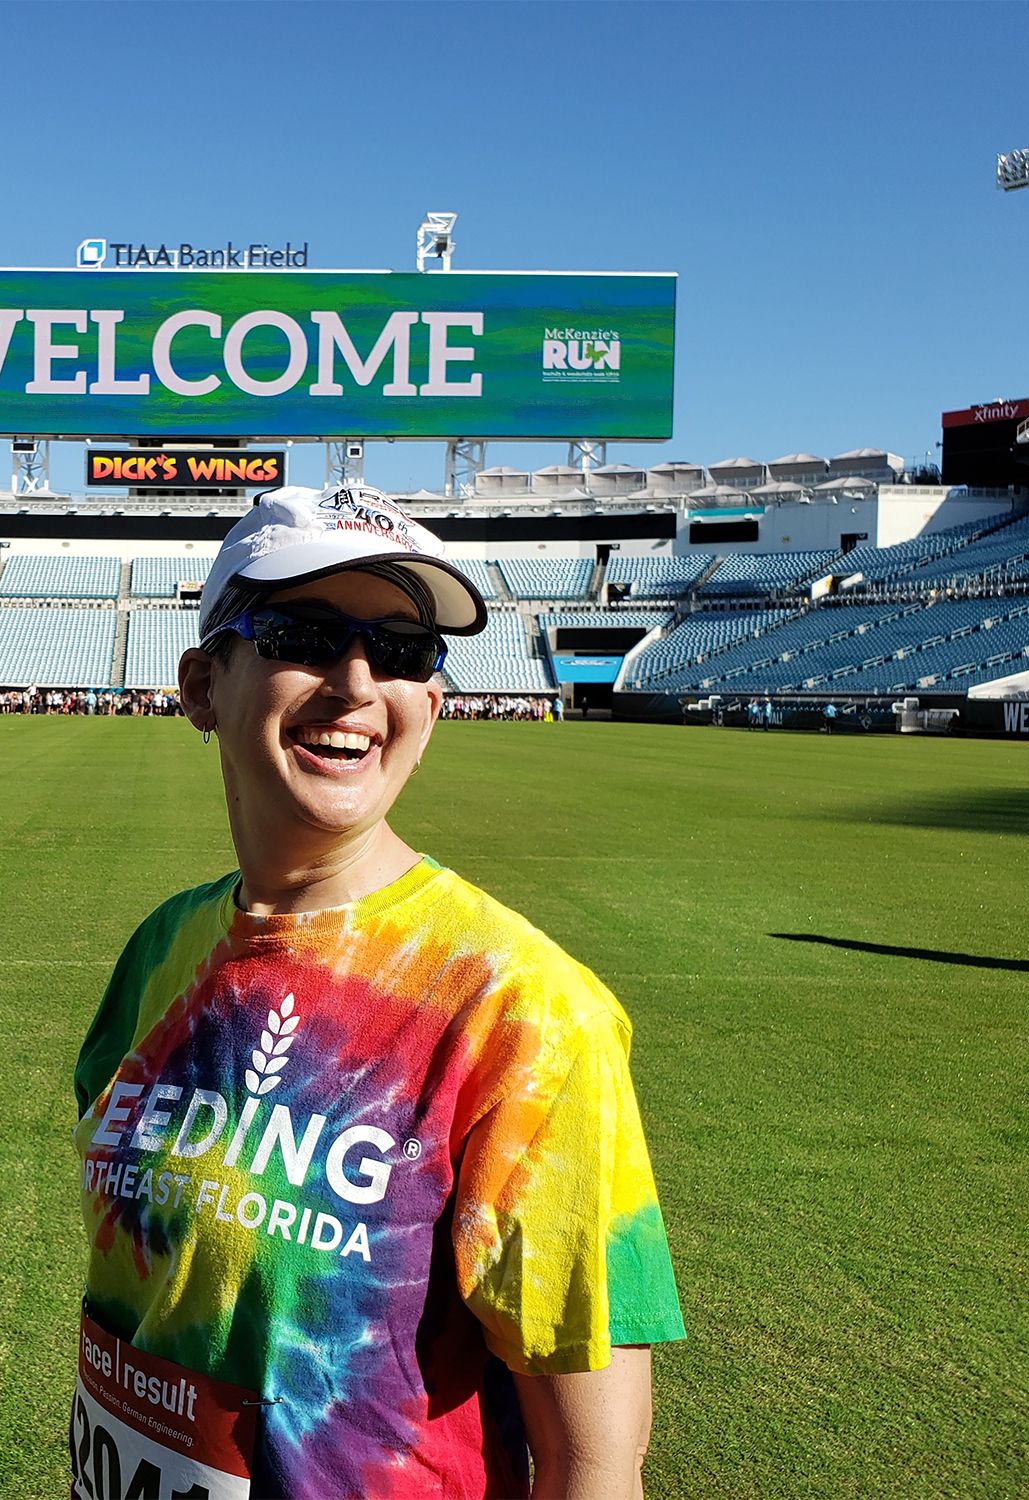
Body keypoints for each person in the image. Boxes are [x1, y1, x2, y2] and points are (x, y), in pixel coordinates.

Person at [72, 486, 684, 1500]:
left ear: (429, 705)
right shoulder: (163, 948)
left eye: (400, 651)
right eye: (302, 634)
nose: (354, 682)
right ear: (200, 684)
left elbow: (590, 1459)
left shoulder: (521, 1007)